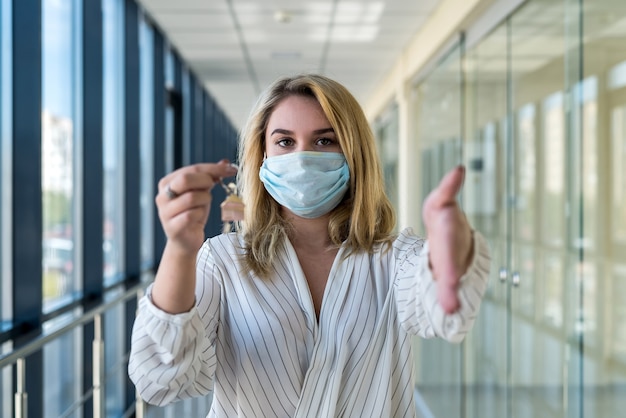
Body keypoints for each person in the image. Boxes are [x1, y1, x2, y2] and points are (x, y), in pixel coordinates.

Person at [128, 74, 491, 417]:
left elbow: (440, 309)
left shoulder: (394, 258)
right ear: (263, 156)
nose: (302, 157)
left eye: (324, 141)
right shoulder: (223, 260)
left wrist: (451, 254)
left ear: (353, 153)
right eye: (285, 141)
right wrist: (180, 247)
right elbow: (161, 381)